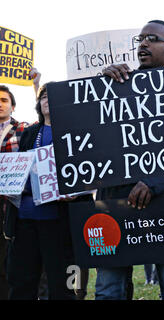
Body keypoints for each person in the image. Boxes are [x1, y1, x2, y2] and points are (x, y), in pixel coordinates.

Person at [95, 19, 164, 300]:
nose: (144, 44)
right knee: (107, 290)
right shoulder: (117, 85)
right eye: (140, 39)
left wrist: (155, 183)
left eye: (152, 38)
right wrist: (101, 86)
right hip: (113, 202)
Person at [4, 83, 91, 299]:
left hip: (58, 222)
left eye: (52, 96)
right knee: (21, 282)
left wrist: (78, 191)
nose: (46, 99)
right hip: (25, 220)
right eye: (43, 96)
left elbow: (90, 173)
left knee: (62, 285)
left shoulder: (78, 133)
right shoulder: (30, 132)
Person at [0, 70, 40, 299]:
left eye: (4, 100)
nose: (0, 104)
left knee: (10, 261)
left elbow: (45, 119)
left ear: (13, 106)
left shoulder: (23, 129)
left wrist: (36, 86)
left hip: (10, 207)